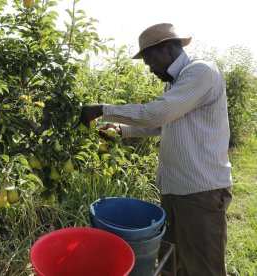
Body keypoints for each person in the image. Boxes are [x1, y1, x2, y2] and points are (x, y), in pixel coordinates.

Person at [79, 23, 232, 276]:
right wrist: (121, 130)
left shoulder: (200, 72)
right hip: (174, 188)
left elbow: (155, 113)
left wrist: (102, 108)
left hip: (201, 190)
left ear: (170, 49)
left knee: (204, 267)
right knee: (173, 260)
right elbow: (163, 124)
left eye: (150, 60)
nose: (149, 68)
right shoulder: (175, 83)